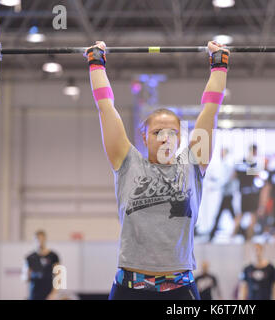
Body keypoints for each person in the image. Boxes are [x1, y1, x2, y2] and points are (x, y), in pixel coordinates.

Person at [85, 39, 229, 300]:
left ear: (180, 138)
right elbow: (105, 108)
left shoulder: (193, 163)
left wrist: (218, 65)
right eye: (157, 132)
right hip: (130, 289)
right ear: (144, 136)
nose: (165, 138)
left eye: (172, 133)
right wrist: (97, 63)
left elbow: (211, 109)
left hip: (180, 289)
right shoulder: (127, 162)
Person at [208, 148, 239, 242]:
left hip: (228, 195)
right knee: (230, 215)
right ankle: (242, 232)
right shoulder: (224, 165)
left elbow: (226, 180)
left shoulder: (228, 165)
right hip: (226, 194)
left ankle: (211, 235)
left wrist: (214, 186)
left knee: (222, 215)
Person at [233, 144, 263, 241]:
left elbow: (234, 176)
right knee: (253, 216)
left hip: (243, 192)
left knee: (240, 215)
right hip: (251, 192)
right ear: (254, 151)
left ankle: (231, 237)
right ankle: (249, 239)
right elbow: (257, 176)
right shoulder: (252, 163)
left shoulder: (240, 162)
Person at [22, 230, 60, 300]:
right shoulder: (30, 257)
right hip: (34, 294)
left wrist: (53, 293)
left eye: (41, 238)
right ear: (34, 240)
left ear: (45, 239)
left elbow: (58, 277)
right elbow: (25, 278)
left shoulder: (53, 256)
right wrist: (27, 274)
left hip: (48, 294)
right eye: (37, 239)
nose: (39, 241)